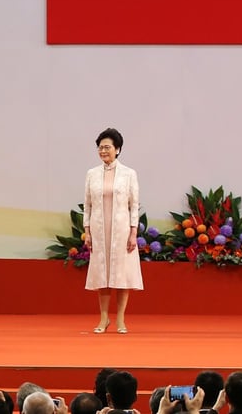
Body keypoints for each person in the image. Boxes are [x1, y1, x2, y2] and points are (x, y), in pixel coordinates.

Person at [83, 127, 142, 334]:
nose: (103, 151)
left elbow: (134, 205)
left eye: (107, 147)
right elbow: (87, 205)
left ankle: (121, 320)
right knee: (103, 275)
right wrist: (87, 231)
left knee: (122, 275)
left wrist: (133, 232)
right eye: (100, 148)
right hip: (100, 231)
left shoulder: (129, 174)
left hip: (121, 230)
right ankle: (103, 318)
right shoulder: (92, 174)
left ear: (117, 149)